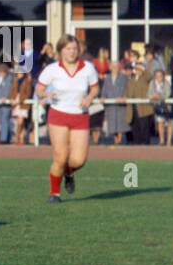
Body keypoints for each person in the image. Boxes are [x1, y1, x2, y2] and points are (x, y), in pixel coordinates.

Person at [35, 34, 98, 202]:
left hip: (79, 116)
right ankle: (54, 193)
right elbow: (39, 90)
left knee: (78, 160)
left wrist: (90, 98)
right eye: (68, 49)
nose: (72, 52)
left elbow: (94, 88)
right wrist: (44, 94)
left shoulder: (88, 68)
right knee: (60, 157)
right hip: (58, 114)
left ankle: (69, 172)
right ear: (61, 50)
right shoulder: (52, 69)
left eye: (74, 49)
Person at [100, 58, 129, 144]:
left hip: (120, 103)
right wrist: (103, 97)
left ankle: (119, 139)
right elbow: (104, 89)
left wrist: (124, 97)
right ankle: (115, 138)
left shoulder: (123, 77)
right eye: (113, 67)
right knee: (112, 121)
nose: (115, 68)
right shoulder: (108, 78)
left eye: (116, 67)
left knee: (120, 121)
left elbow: (127, 89)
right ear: (110, 68)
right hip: (111, 103)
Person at [149, 68, 173, 146]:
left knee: (169, 122)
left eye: (160, 75)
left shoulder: (166, 83)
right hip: (158, 106)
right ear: (155, 76)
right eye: (157, 76)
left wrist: (159, 97)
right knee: (160, 122)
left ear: (163, 76)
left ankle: (168, 141)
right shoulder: (152, 83)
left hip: (167, 106)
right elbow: (149, 94)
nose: (159, 77)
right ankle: (161, 140)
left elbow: (168, 94)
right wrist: (153, 97)